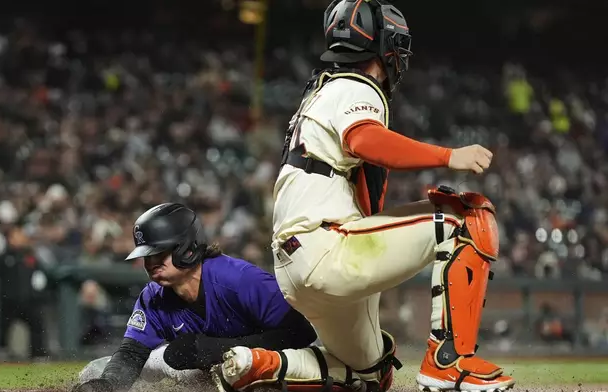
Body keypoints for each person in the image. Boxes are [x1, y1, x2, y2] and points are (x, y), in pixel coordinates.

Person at [211, 1, 516, 392]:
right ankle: (450, 363)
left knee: (370, 376)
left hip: (296, 262)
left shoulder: (321, 92)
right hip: (326, 246)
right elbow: (364, 138)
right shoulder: (354, 84)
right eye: (397, 45)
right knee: (467, 218)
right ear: (382, 47)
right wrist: (448, 156)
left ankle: (260, 364)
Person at [72, 203, 317, 392]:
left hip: (290, 367)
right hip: (220, 374)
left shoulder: (239, 279)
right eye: (147, 255)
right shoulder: (152, 297)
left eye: (159, 253)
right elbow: (132, 354)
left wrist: (217, 349)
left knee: (180, 356)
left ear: (187, 249)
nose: (150, 263)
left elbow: (302, 334)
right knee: (170, 358)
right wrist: (108, 384)